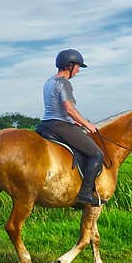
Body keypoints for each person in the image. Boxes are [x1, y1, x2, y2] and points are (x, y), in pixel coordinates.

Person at [36, 48, 104, 206]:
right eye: (78, 67)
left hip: (45, 124)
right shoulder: (64, 83)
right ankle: (86, 193)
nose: (78, 70)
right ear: (70, 65)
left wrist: (78, 121)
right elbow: (69, 109)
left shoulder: (49, 82)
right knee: (97, 154)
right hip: (60, 125)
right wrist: (87, 124)